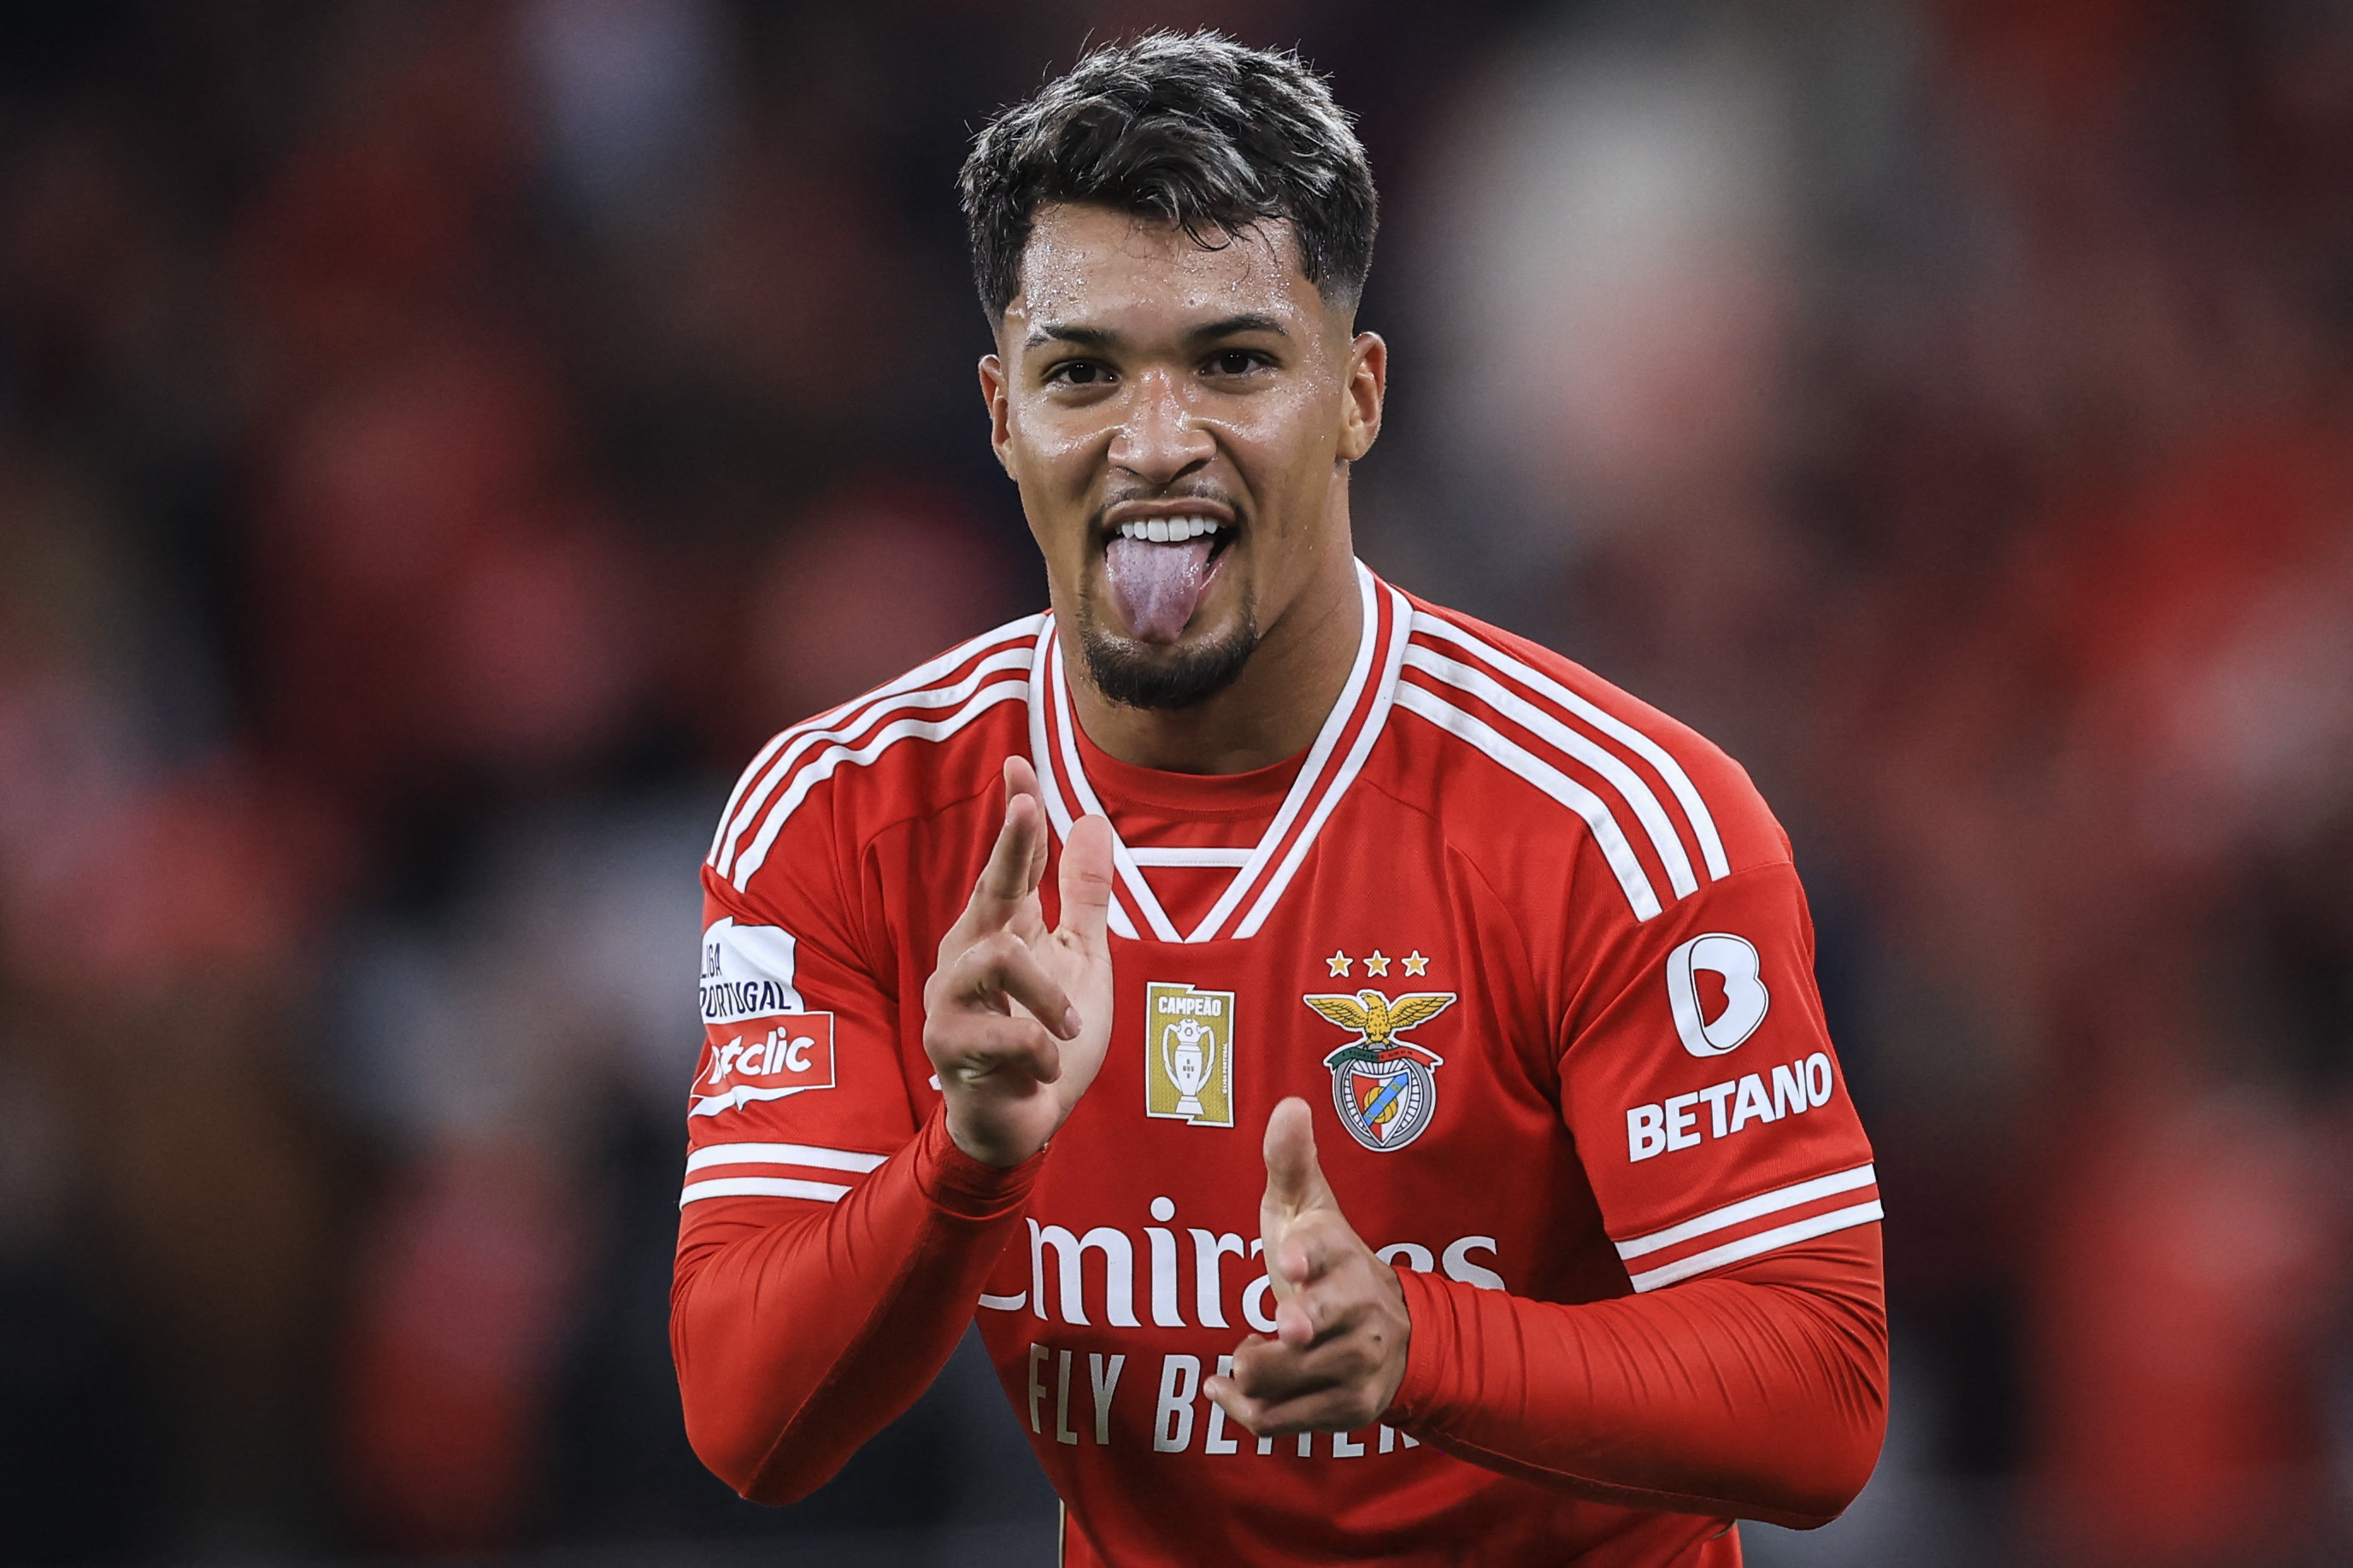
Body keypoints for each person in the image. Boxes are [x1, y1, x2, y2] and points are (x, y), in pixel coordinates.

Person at [673, 31, 1886, 1566]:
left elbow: (1822, 1395)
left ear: (1356, 394)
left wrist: (1421, 1346)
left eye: (1233, 363)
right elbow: (746, 1421)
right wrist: (964, 1163)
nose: (1157, 442)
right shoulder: (847, 816)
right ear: (1000, 415)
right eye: (1082, 373)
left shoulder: (1617, 823)